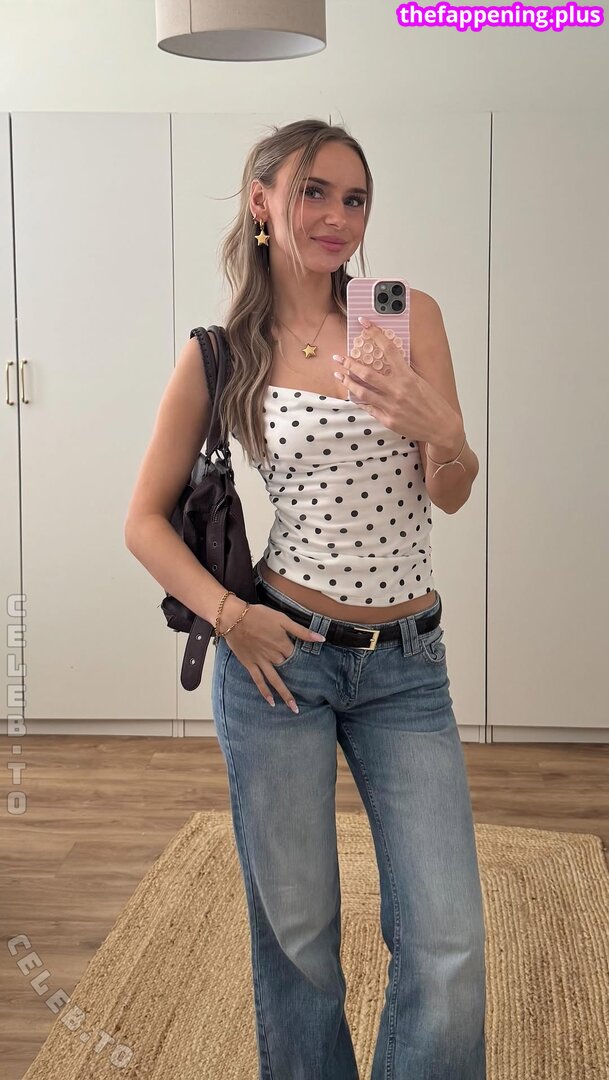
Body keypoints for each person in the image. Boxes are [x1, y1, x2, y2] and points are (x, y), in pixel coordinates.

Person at [124, 118, 486, 1079]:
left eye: (354, 198)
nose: (336, 217)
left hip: (408, 666)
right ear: (261, 203)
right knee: (298, 944)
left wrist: (439, 426)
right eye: (313, 191)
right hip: (282, 661)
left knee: (448, 944)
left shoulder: (401, 313)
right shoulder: (223, 353)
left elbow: (449, 492)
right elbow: (143, 523)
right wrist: (229, 616)